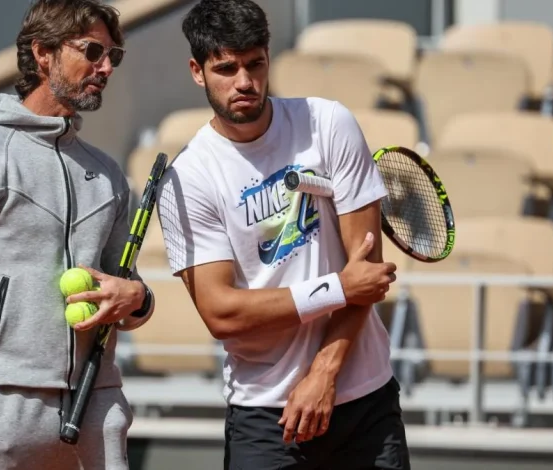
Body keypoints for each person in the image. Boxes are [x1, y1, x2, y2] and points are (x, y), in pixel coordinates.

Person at [155, 0, 410, 469]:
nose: (245, 82)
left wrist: (324, 372)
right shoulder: (186, 178)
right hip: (264, 416)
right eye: (226, 68)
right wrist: (336, 288)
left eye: (255, 64)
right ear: (198, 71)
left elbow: (366, 272)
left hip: (364, 401)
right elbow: (221, 313)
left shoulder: (328, 123)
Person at [0, 1, 155, 468]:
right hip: (0, 417)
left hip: (96, 415)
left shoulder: (107, 176)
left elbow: (129, 297)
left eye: (114, 56)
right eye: (93, 51)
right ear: (43, 53)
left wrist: (138, 299)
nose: (106, 67)